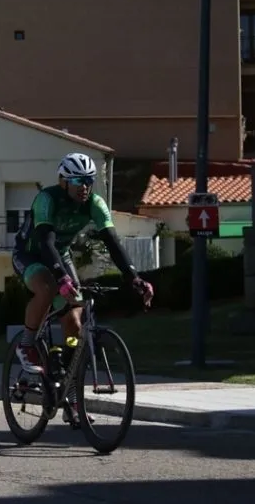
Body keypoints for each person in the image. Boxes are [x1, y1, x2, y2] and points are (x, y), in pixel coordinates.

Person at [11, 152, 154, 422]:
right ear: (63, 181)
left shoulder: (94, 203)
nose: (84, 186)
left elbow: (112, 242)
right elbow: (46, 242)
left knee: (75, 324)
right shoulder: (47, 199)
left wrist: (134, 277)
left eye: (88, 180)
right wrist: (61, 278)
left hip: (61, 255)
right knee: (47, 288)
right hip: (32, 253)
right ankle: (27, 344)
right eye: (78, 180)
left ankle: (72, 398)